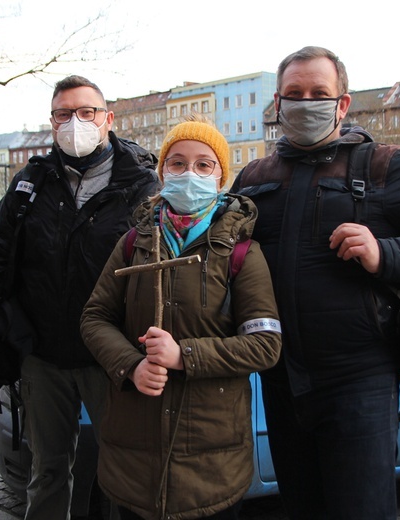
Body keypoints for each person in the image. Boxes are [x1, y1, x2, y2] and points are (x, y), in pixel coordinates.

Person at [231, 46, 400, 519]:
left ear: (342, 104)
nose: (307, 103)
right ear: (279, 105)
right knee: (302, 508)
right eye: (294, 94)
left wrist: (385, 253)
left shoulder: (385, 166)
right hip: (282, 381)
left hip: (359, 380)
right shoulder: (253, 177)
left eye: (319, 93)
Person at [0, 75, 160, 519]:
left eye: (86, 112)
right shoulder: (30, 183)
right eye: (64, 114)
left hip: (111, 354)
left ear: (107, 119)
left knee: (121, 468)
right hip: (44, 354)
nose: (75, 122)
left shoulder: (141, 185)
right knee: (48, 471)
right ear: (52, 122)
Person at [80, 115, 283, 520]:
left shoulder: (242, 252)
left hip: (210, 461)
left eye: (203, 164)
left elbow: (265, 345)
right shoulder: (134, 241)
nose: (189, 172)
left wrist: (184, 355)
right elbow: (95, 317)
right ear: (162, 172)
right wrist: (131, 365)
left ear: (220, 176)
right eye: (177, 163)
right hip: (133, 455)